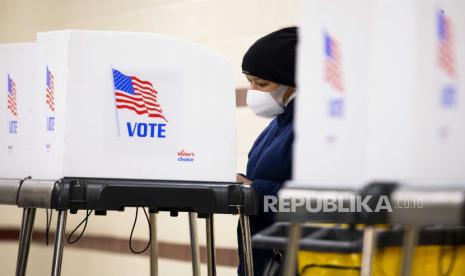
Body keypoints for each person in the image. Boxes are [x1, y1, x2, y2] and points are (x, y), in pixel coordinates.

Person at [237, 26, 298, 276]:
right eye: (249, 81)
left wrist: (256, 191)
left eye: (261, 83)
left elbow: (322, 201)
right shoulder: (276, 126)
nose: (253, 91)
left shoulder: (314, 132)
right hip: (259, 258)